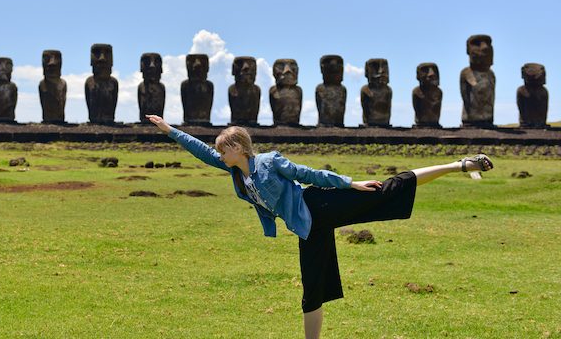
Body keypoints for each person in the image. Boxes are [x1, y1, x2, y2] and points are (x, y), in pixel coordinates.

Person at [146, 114, 494, 339]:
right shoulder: (236, 171)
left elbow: (309, 174)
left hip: (319, 204)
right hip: (307, 227)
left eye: (225, 150)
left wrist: (351, 183)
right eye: (221, 153)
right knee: (312, 286)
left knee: (388, 189)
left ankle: (459, 165)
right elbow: (201, 151)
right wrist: (170, 130)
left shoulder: (269, 162)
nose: (220, 156)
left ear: (238, 148)